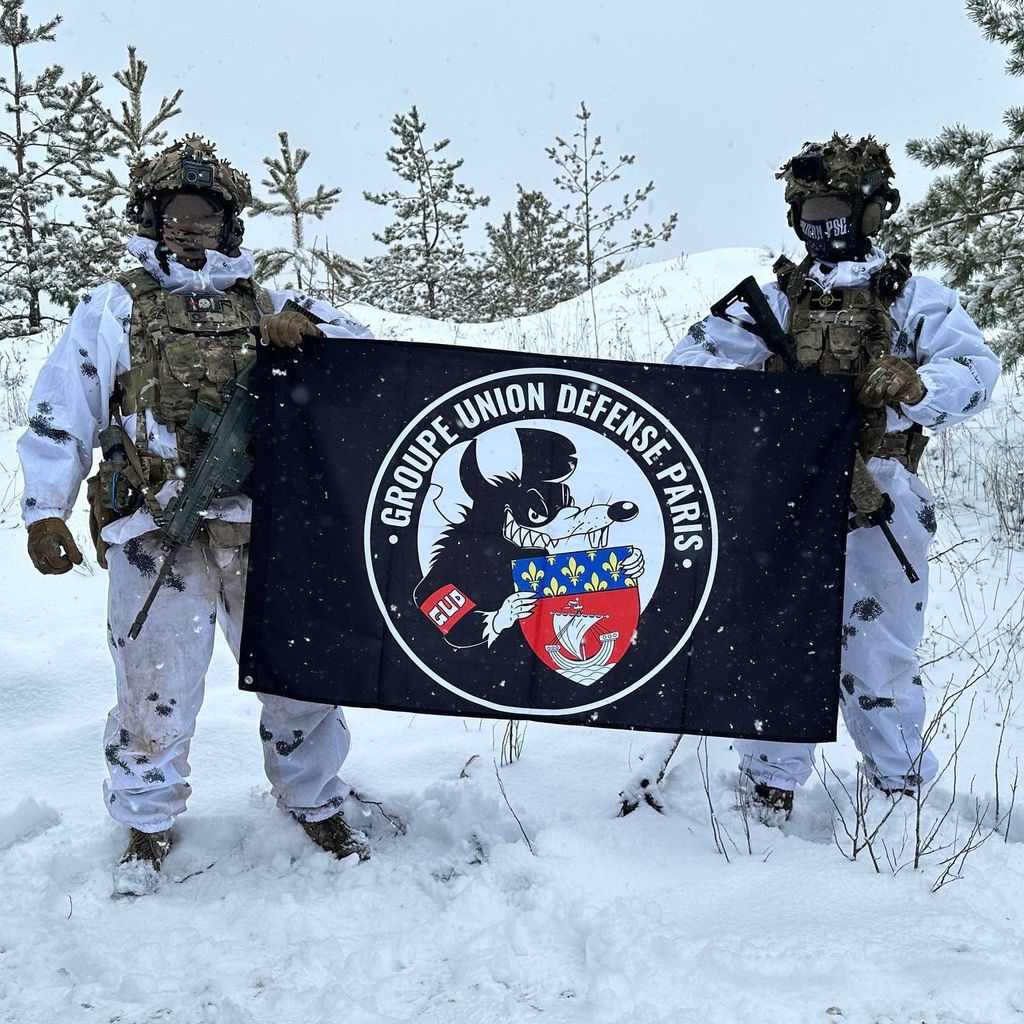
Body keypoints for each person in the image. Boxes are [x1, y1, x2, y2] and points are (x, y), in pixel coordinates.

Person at [18, 136, 373, 892]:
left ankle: (315, 800)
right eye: (175, 213)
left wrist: (305, 328)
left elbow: (367, 357)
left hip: (263, 530)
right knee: (153, 691)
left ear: (228, 225)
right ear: (152, 220)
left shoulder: (266, 302)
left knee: (298, 678)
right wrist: (45, 508)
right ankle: (146, 823)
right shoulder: (115, 306)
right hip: (156, 533)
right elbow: (64, 404)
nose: (189, 228)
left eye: (204, 215)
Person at [666, 134, 1000, 820]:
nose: (822, 226)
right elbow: (686, 368)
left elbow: (976, 374)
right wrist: (759, 391)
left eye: (835, 210)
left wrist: (916, 384)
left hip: (880, 493)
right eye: (810, 212)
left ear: (871, 211)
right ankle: (769, 785)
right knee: (777, 634)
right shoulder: (768, 302)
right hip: (783, 491)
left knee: (880, 649)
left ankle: (900, 791)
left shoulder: (915, 300)